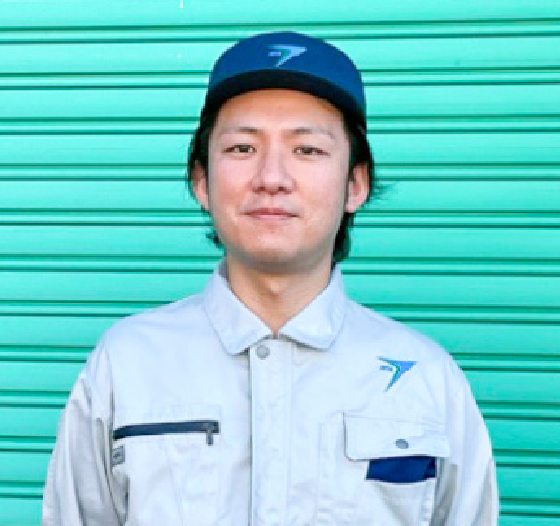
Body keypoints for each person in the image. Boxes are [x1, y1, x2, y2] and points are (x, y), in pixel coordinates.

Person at [42, 31, 498, 525]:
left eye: (307, 149)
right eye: (242, 147)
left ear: (355, 184)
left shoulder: (428, 380)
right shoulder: (126, 365)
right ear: (201, 181)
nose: (272, 178)